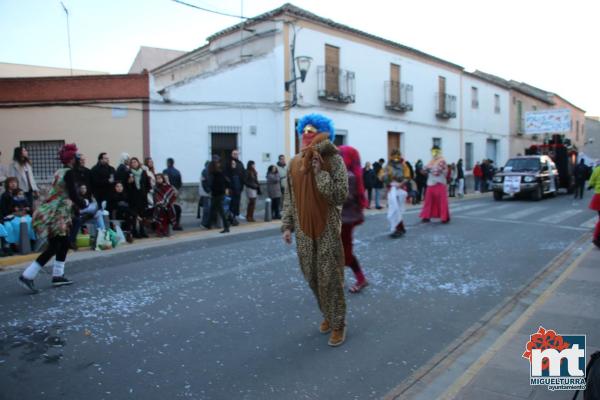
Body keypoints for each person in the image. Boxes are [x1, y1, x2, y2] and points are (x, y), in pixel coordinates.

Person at [281, 113, 349, 347]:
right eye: (303, 133)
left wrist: (320, 173)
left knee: (330, 277)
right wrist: (287, 225)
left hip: (327, 228)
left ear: (321, 135)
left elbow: (340, 195)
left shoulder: (333, 159)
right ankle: (328, 314)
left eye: (311, 133)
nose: (305, 137)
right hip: (302, 230)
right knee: (312, 276)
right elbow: (289, 197)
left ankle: (338, 323)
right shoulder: (293, 163)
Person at [18, 144, 87, 293]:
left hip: (57, 212)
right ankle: (28, 275)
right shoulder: (68, 173)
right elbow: (73, 194)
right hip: (58, 214)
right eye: (76, 156)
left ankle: (58, 276)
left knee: (64, 243)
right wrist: (83, 203)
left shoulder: (60, 171)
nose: (78, 158)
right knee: (55, 246)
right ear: (71, 159)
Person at [339, 145, 369, 294]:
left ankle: (361, 279)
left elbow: (344, 198)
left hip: (345, 220)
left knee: (346, 253)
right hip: (339, 219)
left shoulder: (348, 176)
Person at [1, 178, 36, 251]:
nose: (13, 184)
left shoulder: (21, 193)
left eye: (15, 182)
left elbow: (28, 205)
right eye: (11, 182)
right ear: (7, 184)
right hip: (10, 216)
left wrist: (26, 209)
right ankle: (13, 245)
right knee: (11, 226)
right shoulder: (5, 195)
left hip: (23, 215)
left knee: (30, 222)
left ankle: (31, 242)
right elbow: (4, 209)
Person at [419, 145, 450, 223]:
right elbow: (423, 171)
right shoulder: (431, 161)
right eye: (433, 151)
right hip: (431, 183)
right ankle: (426, 216)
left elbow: (437, 172)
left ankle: (444, 217)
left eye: (436, 151)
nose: (434, 153)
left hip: (440, 183)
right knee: (428, 201)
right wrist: (425, 170)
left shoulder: (442, 161)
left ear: (439, 152)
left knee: (442, 201)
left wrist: (428, 169)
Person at [127, 157, 150, 238]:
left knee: (143, 214)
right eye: (132, 162)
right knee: (135, 215)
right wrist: (129, 182)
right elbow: (127, 187)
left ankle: (142, 230)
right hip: (133, 196)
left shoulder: (143, 172)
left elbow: (148, 183)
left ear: (138, 163)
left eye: (135, 162)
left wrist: (145, 191)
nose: (134, 163)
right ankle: (135, 231)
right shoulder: (129, 173)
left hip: (142, 196)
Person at [207, 156, 230, 233]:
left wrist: (211, 190)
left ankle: (226, 227)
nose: (218, 164)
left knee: (219, 210)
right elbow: (225, 182)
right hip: (219, 193)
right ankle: (208, 224)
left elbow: (213, 184)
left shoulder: (216, 174)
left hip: (217, 194)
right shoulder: (219, 173)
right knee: (214, 209)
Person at [162, 158, 183, 230]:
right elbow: (180, 183)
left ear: (168, 163)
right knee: (177, 208)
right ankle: (177, 223)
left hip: (167, 193)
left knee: (169, 208)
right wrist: (176, 190)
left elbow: (163, 182)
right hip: (175, 192)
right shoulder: (177, 172)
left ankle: (170, 223)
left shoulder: (165, 171)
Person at [226, 150, 245, 225]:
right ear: (231, 154)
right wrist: (232, 168)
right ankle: (231, 218)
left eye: (237, 154)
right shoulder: (228, 162)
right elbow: (226, 174)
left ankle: (236, 215)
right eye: (234, 154)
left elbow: (243, 173)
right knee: (231, 203)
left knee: (237, 202)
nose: (235, 155)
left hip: (239, 186)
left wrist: (242, 184)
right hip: (231, 187)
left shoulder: (240, 163)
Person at [588, 164, 600, 248]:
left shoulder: (597, 169)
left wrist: (592, 185)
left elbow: (591, 182)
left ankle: (596, 238)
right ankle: (596, 238)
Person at [198, 161, 211, 227]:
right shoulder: (206, 172)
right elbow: (205, 183)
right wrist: (209, 191)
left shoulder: (204, 171)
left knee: (207, 208)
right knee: (207, 209)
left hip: (204, 193)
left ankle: (206, 223)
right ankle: (204, 223)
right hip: (206, 193)